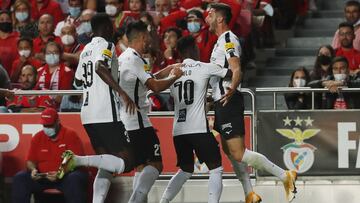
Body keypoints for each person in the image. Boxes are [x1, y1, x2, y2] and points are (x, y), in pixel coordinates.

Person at [206, 3, 297, 202]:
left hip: (228, 101)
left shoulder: (229, 39)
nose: (206, 18)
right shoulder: (219, 41)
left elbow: (237, 68)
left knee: (239, 152)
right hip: (221, 102)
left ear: (220, 18)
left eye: (210, 14)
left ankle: (285, 175)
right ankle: (249, 194)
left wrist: (231, 90)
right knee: (229, 151)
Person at [58, 13, 137, 203]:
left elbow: (77, 82)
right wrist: (121, 92)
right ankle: (77, 160)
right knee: (128, 162)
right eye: (111, 26)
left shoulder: (84, 51)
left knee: (107, 162)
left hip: (87, 114)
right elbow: (100, 67)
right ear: (107, 28)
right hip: (106, 111)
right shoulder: (107, 45)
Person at [160, 36, 231, 203]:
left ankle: (163, 201)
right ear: (193, 49)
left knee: (185, 170)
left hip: (178, 130)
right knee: (216, 168)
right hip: (198, 128)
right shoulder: (204, 67)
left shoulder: (173, 71)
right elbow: (230, 73)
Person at [118, 20, 183, 203]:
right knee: (156, 165)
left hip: (126, 120)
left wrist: (166, 70)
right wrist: (173, 76)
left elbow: (146, 78)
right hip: (137, 120)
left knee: (141, 167)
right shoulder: (135, 59)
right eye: (147, 38)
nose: (149, 42)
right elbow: (154, 86)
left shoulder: (124, 57)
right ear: (142, 37)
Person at [12, 108, 89, 203]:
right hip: (43, 178)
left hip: (65, 176)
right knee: (20, 177)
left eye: (50, 125)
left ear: (57, 122)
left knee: (75, 178)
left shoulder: (70, 134)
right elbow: (30, 160)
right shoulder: (38, 137)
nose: (47, 128)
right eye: (45, 125)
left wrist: (60, 173)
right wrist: (33, 170)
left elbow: (74, 159)